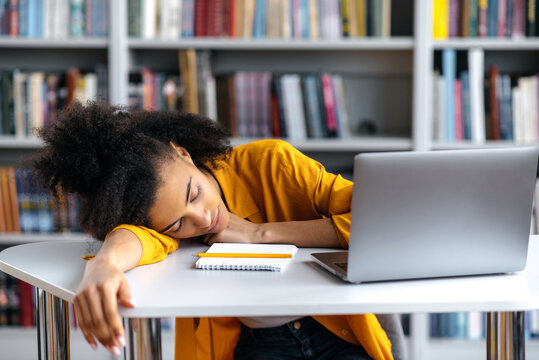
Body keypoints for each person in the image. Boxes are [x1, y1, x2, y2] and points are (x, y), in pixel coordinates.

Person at [30, 101, 394, 360]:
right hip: (257, 343)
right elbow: (137, 239)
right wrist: (103, 264)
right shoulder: (163, 224)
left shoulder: (271, 164)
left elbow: (379, 217)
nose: (201, 219)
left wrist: (260, 234)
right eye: (177, 223)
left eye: (195, 193)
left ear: (184, 154)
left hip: (332, 330)